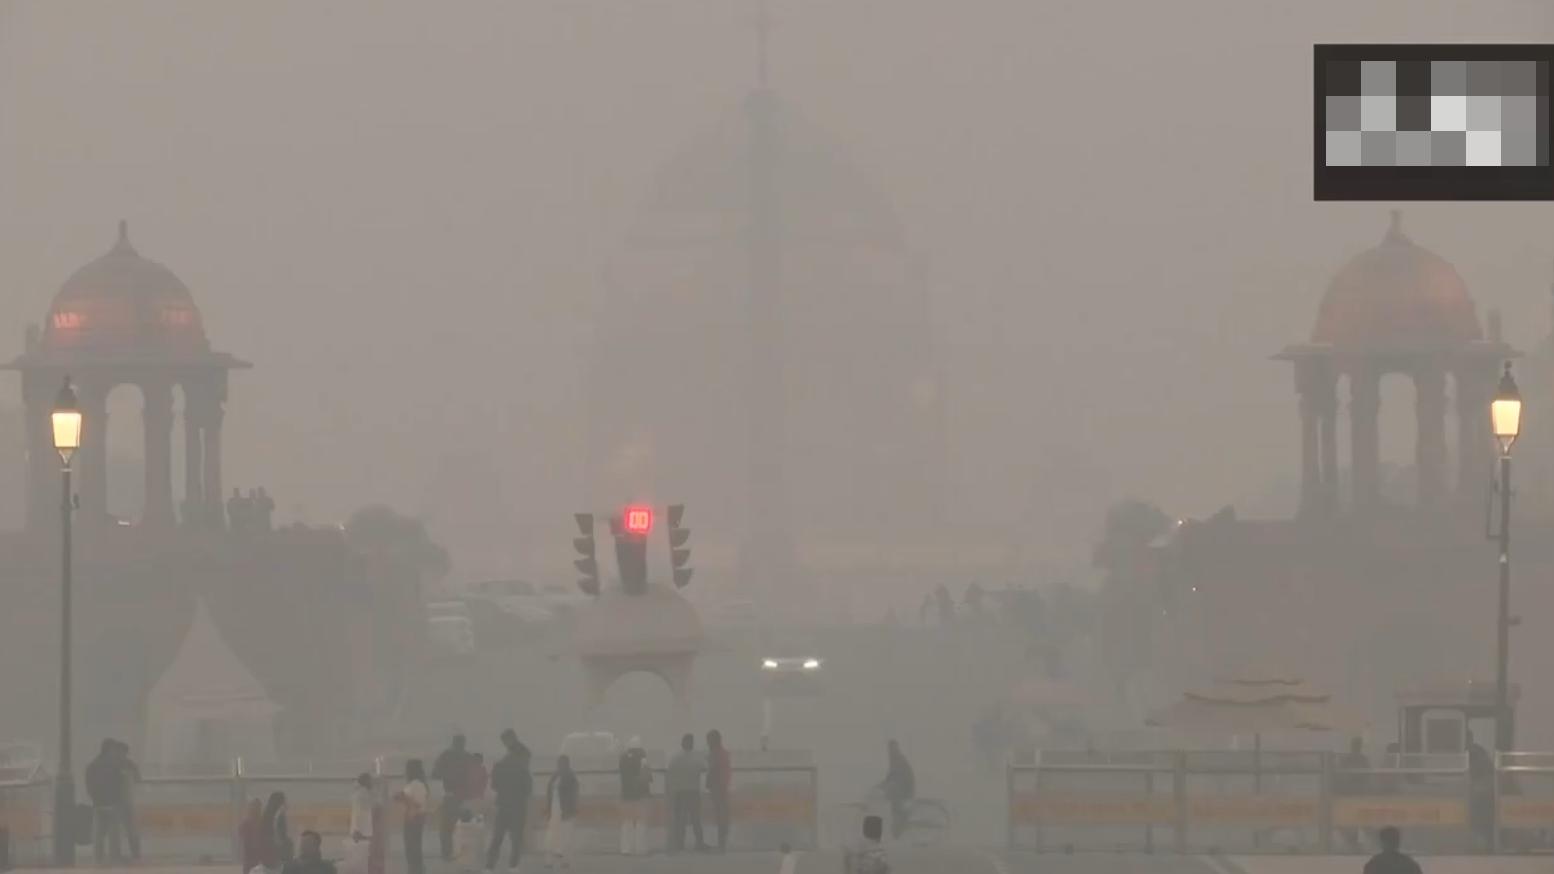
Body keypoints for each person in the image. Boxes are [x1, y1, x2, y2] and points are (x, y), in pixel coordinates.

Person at [485, 729, 533, 874]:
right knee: (515, 837)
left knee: (499, 836)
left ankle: (490, 866)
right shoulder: (521, 762)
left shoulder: (504, 763)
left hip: (505, 804)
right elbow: (527, 787)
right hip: (517, 804)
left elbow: (494, 785)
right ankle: (512, 866)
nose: (505, 744)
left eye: (505, 741)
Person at [85, 739, 127, 865]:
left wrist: (94, 798)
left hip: (98, 803)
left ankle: (98, 858)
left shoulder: (92, 765)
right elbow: (119, 784)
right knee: (114, 834)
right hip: (113, 803)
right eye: (113, 749)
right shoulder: (113, 765)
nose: (115, 751)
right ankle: (114, 858)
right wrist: (119, 799)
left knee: (98, 833)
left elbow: (89, 785)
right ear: (108, 749)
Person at [667, 733, 708, 853]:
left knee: (680, 819)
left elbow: (670, 772)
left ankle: (679, 844)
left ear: (682, 744)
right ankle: (699, 843)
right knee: (696, 819)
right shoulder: (697, 758)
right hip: (693, 792)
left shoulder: (675, 758)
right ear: (692, 744)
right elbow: (705, 768)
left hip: (679, 792)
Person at [433, 735, 470, 862]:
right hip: (465, 796)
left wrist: (447, 775)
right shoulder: (467, 757)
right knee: (466, 827)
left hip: (450, 796)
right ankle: (464, 853)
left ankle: (447, 854)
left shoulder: (446, 756)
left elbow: (435, 773)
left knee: (446, 828)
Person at [543, 755, 579, 869]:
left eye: (562, 763)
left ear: (566, 764)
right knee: (551, 836)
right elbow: (549, 793)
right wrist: (548, 809)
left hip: (566, 810)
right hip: (554, 809)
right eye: (559, 763)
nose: (560, 766)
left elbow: (574, 795)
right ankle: (549, 861)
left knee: (566, 836)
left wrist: (571, 809)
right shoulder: (555, 776)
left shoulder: (570, 776)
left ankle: (566, 861)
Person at [1335, 738, 1370, 852]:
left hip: (1359, 794)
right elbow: (1341, 776)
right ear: (1352, 746)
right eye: (1355, 745)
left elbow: (1367, 775)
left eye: (1358, 745)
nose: (1357, 747)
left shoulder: (1363, 759)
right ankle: (1350, 842)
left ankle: (1355, 842)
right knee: (1348, 820)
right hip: (1348, 795)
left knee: (1357, 820)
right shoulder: (1346, 760)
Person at [618, 737, 651, 856]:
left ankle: (626, 848)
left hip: (626, 796)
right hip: (640, 796)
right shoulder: (643, 759)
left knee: (627, 823)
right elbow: (648, 777)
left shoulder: (622, 759)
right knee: (641, 823)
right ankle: (640, 848)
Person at [397, 760, 430, 874]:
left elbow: (418, 803)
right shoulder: (415, 784)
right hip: (414, 817)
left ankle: (416, 869)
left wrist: (404, 798)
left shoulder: (416, 784)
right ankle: (416, 868)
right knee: (413, 845)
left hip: (414, 818)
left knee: (412, 846)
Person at [879, 740, 916, 840]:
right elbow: (891, 775)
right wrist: (883, 784)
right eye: (890, 748)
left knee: (896, 803)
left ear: (896, 748)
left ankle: (900, 826)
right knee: (893, 802)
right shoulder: (894, 759)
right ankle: (898, 827)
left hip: (906, 787)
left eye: (893, 748)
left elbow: (897, 775)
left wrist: (885, 785)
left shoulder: (898, 759)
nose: (891, 750)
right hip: (903, 786)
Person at [114, 740, 143, 863]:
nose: (120, 753)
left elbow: (138, 778)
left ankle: (133, 853)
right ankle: (130, 853)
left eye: (121, 751)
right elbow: (138, 779)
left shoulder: (118, 764)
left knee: (127, 828)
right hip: (124, 801)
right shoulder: (129, 764)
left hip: (124, 801)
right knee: (126, 828)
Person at [706, 729, 733, 851]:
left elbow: (712, 769)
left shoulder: (715, 754)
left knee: (720, 815)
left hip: (718, 788)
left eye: (709, 740)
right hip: (723, 787)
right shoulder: (724, 753)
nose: (707, 743)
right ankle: (722, 843)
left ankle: (721, 844)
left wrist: (708, 783)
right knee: (723, 815)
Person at [261, 791, 291, 870]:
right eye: (284, 800)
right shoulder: (280, 814)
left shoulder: (266, 813)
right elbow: (281, 833)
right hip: (278, 848)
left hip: (269, 848)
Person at [239, 798, 266, 874]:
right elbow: (242, 835)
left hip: (257, 855)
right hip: (250, 855)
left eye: (259, 806)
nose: (258, 809)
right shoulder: (247, 821)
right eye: (256, 806)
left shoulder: (261, 820)